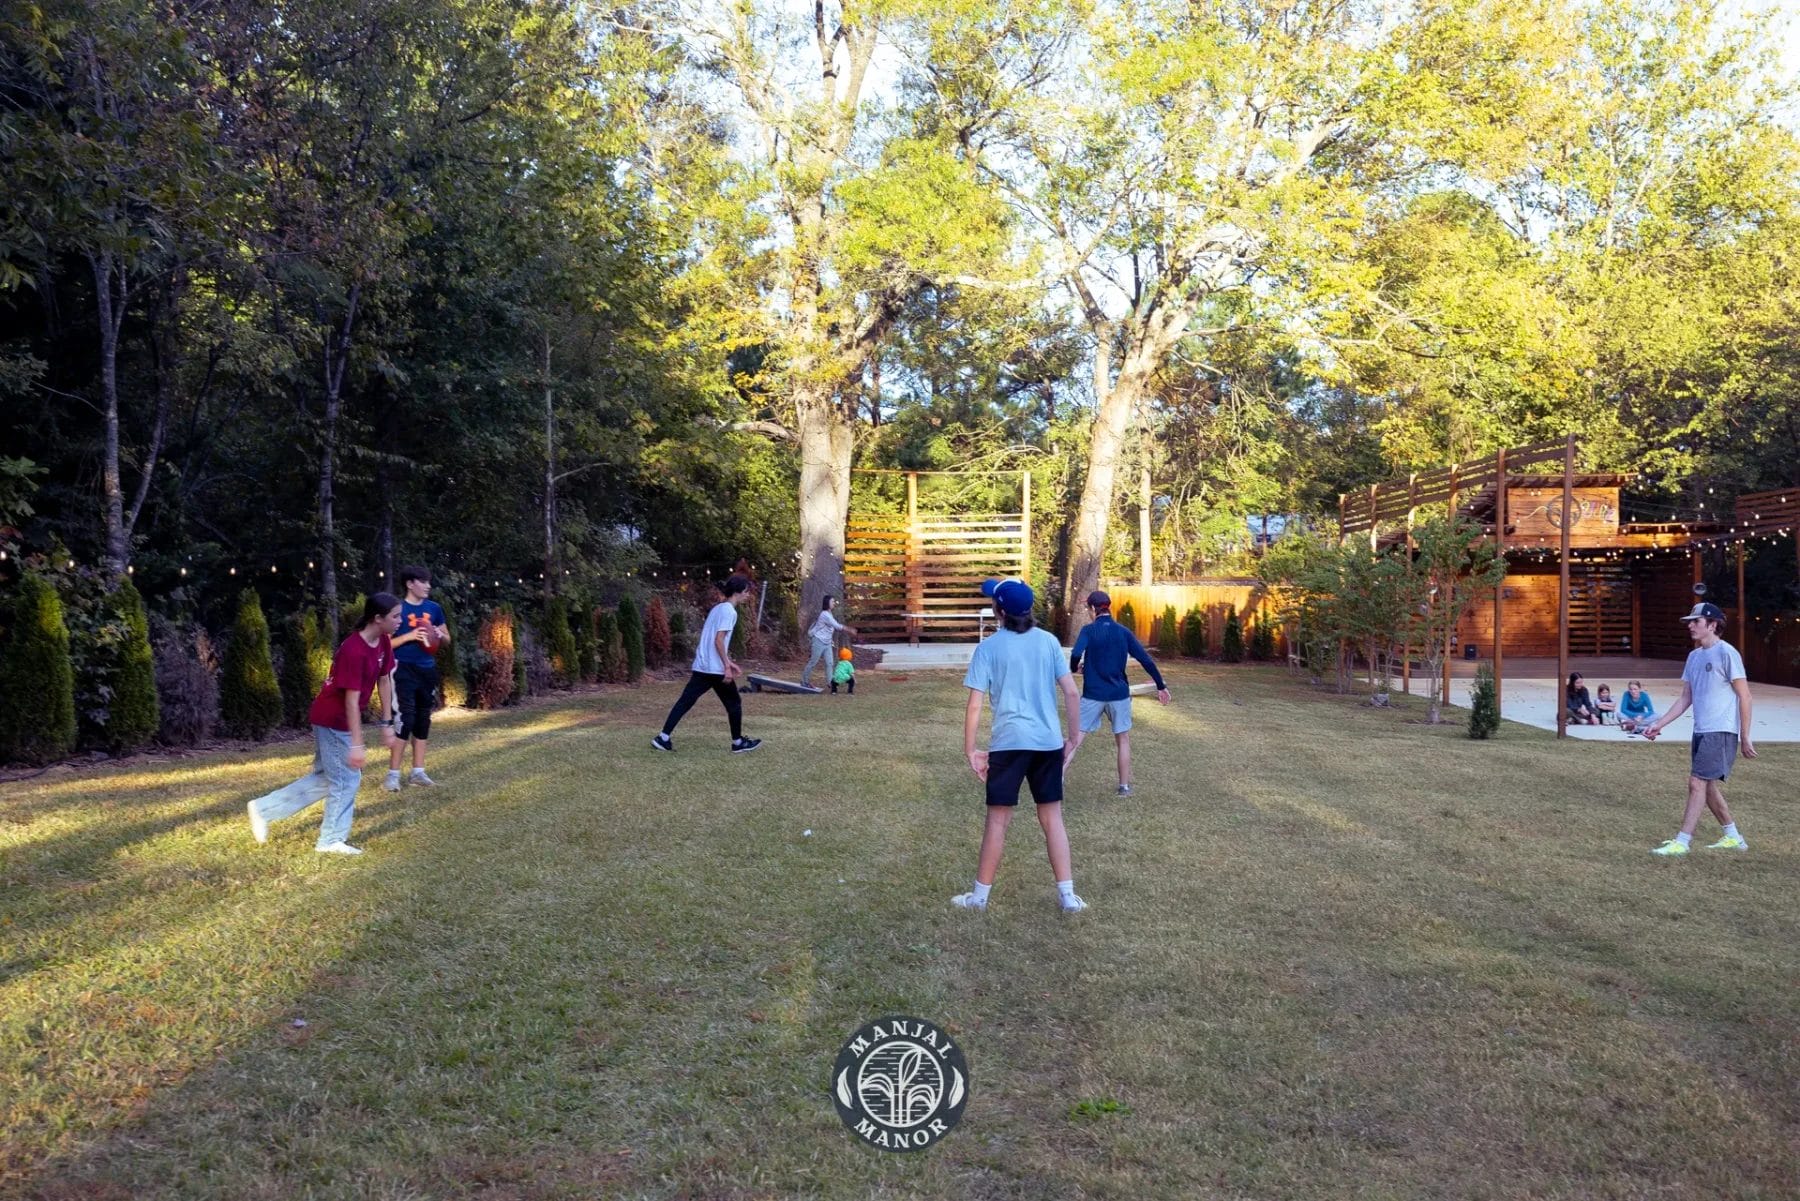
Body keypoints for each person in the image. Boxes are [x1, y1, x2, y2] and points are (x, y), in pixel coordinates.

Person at [951, 577, 1088, 913]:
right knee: (1052, 818)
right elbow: (1072, 692)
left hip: (1007, 745)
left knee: (997, 821)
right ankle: (1068, 897)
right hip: (1046, 744)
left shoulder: (988, 648)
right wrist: (1072, 738)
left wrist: (971, 750)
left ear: (998, 611)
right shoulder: (1049, 642)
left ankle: (979, 899)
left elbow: (974, 705)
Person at [246, 593, 401, 855]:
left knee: (327, 779)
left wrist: (387, 722)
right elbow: (350, 703)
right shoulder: (354, 650)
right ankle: (330, 840)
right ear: (377, 618)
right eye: (395, 616)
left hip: (339, 718)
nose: (400, 621)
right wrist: (357, 744)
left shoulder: (383, 641)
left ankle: (263, 809)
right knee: (346, 780)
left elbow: (384, 680)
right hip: (331, 719)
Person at [1642, 602, 1756, 855]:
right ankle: (1733, 837)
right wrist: (1658, 724)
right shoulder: (1694, 657)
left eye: (1696, 621)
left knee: (1696, 783)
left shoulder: (1727, 653)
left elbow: (1745, 696)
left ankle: (1682, 842)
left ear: (1713, 625)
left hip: (1721, 730)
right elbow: (1686, 698)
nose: (1690, 626)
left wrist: (1745, 737)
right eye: (1689, 622)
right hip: (1702, 730)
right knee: (1708, 786)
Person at [1067, 590, 1171, 796]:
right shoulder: (1123, 632)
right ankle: (1124, 787)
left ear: (1092, 609)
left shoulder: (1088, 631)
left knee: (1075, 738)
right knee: (1122, 739)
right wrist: (1160, 685)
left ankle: (1055, 780)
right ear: (1108, 607)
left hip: (1092, 694)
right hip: (1119, 695)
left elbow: (1076, 653)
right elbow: (1145, 659)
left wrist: (1074, 668)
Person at [652, 574, 761, 754]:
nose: (748, 595)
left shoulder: (717, 609)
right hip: (715, 669)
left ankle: (663, 737)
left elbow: (714, 640)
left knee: (685, 701)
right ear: (739, 592)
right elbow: (718, 640)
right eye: (747, 592)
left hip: (702, 666)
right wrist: (726, 666)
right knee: (734, 703)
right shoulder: (729, 611)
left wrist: (729, 662)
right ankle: (738, 742)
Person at [385, 565, 450, 791]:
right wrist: (410, 636)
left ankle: (418, 772)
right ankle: (392, 775)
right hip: (402, 669)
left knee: (423, 719)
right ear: (410, 584)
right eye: (423, 581)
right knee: (405, 719)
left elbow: (447, 638)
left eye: (429, 582)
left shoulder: (434, 608)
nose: (428, 586)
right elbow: (385, 645)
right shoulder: (396, 609)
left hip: (427, 669)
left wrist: (440, 635)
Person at [802, 596, 857, 689]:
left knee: (830, 663)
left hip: (827, 643)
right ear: (827, 603)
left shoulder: (829, 614)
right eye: (832, 601)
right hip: (818, 640)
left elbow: (833, 626)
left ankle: (830, 683)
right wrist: (849, 629)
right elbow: (836, 626)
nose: (834, 603)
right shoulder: (824, 615)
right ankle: (804, 681)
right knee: (813, 662)